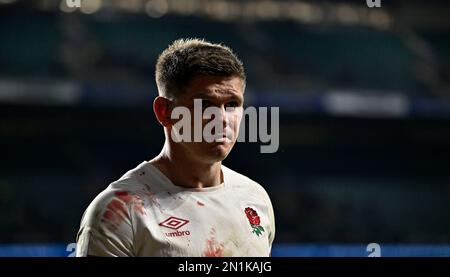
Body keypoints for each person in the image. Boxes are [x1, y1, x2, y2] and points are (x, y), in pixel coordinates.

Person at [76, 38, 275, 257]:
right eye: (205, 104)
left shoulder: (255, 198)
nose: (221, 119)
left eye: (232, 104)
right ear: (165, 112)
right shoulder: (119, 213)